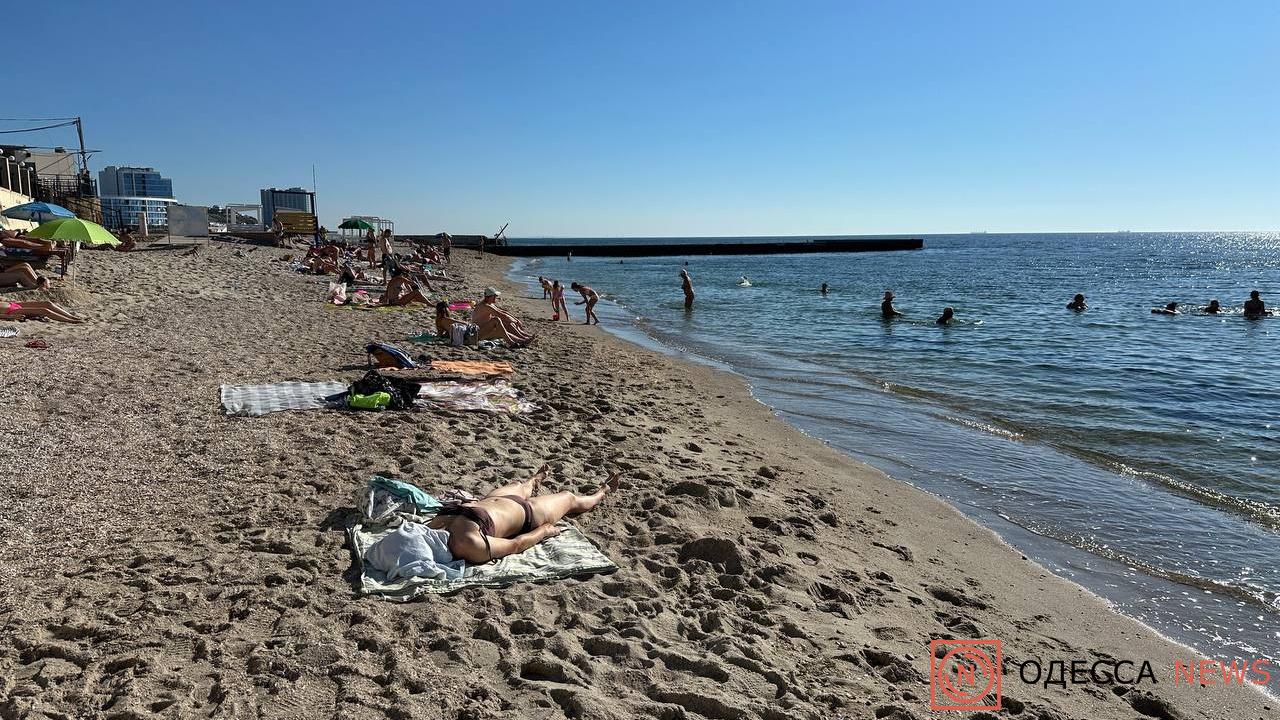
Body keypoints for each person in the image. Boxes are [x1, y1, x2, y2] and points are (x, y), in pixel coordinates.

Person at [427, 464, 621, 563]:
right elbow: (515, 545)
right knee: (569, 498)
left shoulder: (432, 528)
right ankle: (603, 491)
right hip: (529, 514)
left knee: (518, 485)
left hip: (495, 500)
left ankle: (534, 481)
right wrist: (544, 531)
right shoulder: (469, 545)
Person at [3, 299, 84, 323]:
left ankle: (71, 316)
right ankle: (71, 320)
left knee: (47, 303)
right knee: (44, 310)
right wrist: (11, 316)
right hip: (10, 311)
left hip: (11, 304)